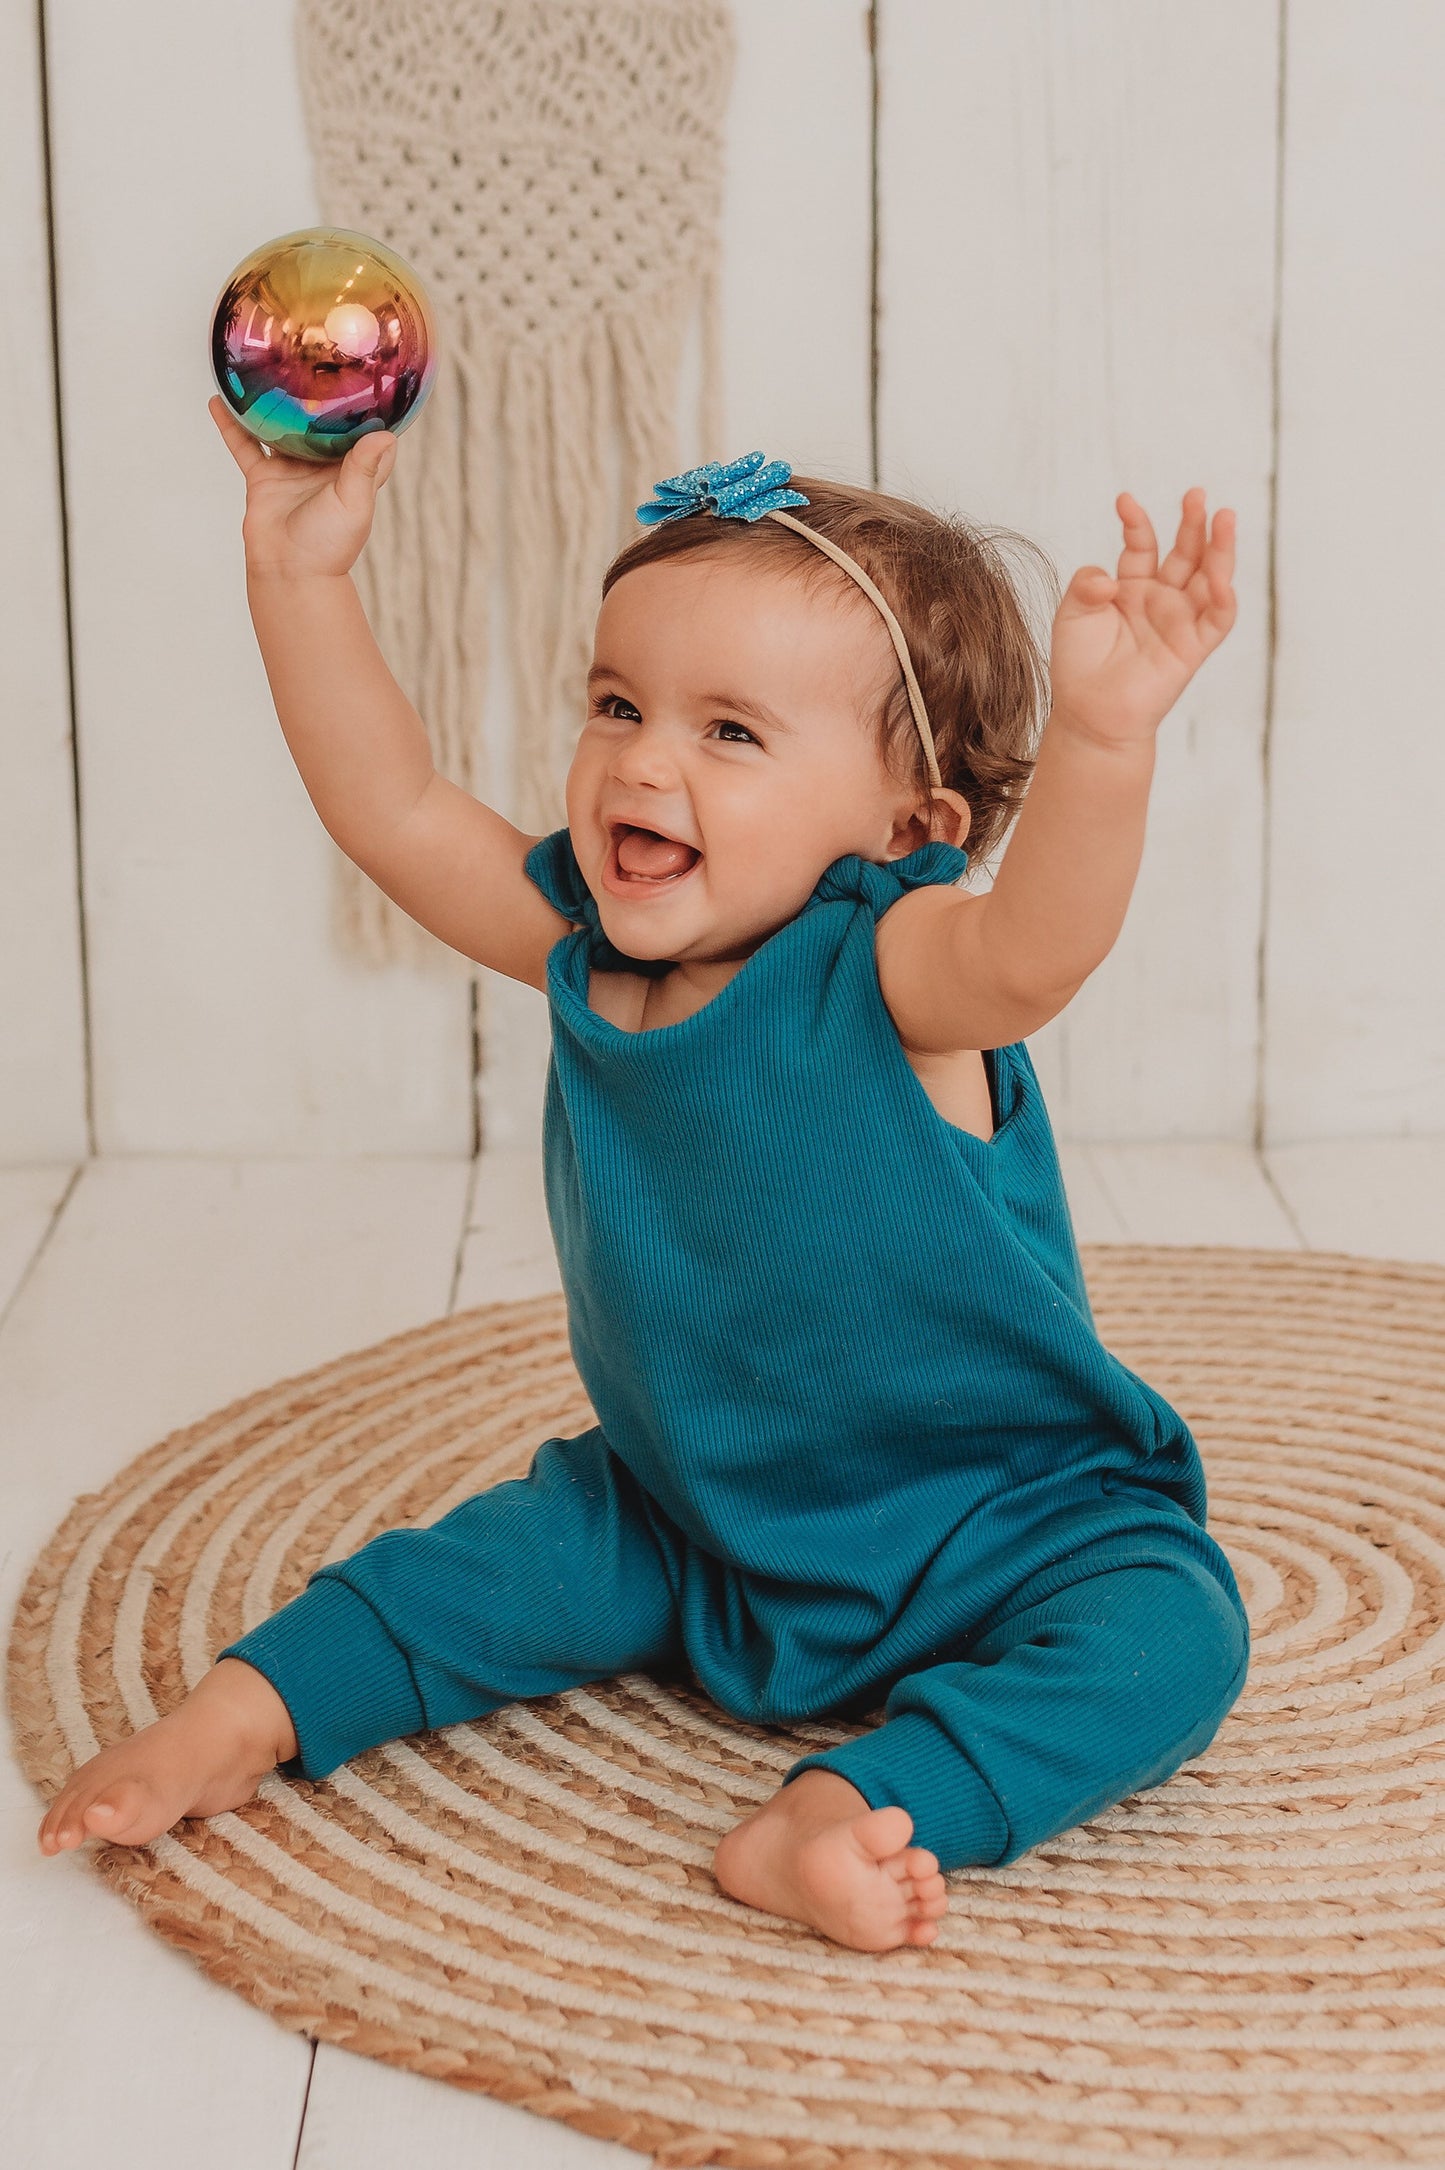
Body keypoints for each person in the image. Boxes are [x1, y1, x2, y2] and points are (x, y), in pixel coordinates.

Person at [38, 414, 1246, 1955]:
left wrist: (1104, 738)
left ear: (909, 829)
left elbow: (1039, 949)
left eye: (730, 732)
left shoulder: (891, 969)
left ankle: (856, 1805)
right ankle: (239, 1716)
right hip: (692, 1509)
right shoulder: (585, 946)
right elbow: (393, 807)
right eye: (617, 702)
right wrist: (298, 574)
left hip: (1003, 1517)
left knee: (1174, 1631)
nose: (643, 758)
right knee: (477, 1567)